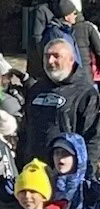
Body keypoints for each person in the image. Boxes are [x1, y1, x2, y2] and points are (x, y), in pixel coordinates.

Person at [19, 39, 100, 175]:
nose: (50, 61)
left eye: (56, 56)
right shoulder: (36, 89)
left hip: (66, 173)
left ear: (70, 59)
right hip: (34, 171)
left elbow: (93, 138)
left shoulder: (85, 93)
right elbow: (24, 129)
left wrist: (85, 175)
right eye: (47, 56)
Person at [41, 0, 82, 66]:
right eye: (74, 13)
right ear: (66, 17)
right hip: (65, 73)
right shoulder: (55, 33)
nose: (76, 16)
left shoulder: (68, 31)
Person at [28, 1, 57, 79]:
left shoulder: (57, 8)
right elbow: (37, 37)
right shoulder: (41, 10)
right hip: (40, 60)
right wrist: (44, 57)